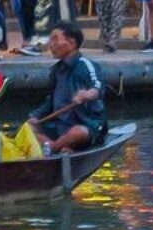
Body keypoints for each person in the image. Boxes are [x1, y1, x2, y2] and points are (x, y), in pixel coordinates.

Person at [28, 18, 107, 153]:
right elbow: (50, 101)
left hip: (87, 126)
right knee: (29, 127)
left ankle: (52, 148)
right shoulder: (56, 71)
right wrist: (35, 117)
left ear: (71, 43)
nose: (50, 45)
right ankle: (60, 147)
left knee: (78, 133)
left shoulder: (86, 64)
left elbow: (97, 87)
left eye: (55, 39)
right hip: (60, 127)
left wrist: (86, 94)